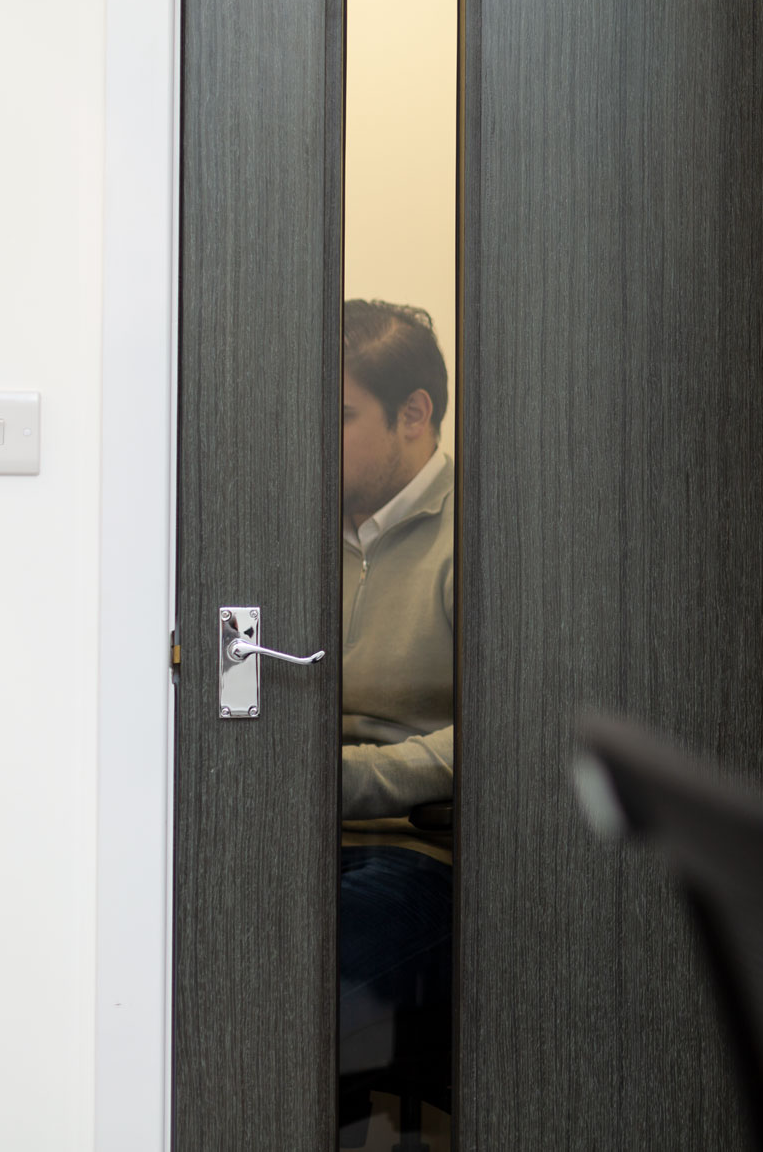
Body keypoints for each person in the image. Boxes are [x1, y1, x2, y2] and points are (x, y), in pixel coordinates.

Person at [337, 299, 455, 1087]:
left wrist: (356, 778)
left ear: (413, 414)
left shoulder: (483, 532)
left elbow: (505, 725)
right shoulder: (296, 521)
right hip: (304, 830)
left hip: (420, 849)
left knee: (286, 955)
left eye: (339, 415)